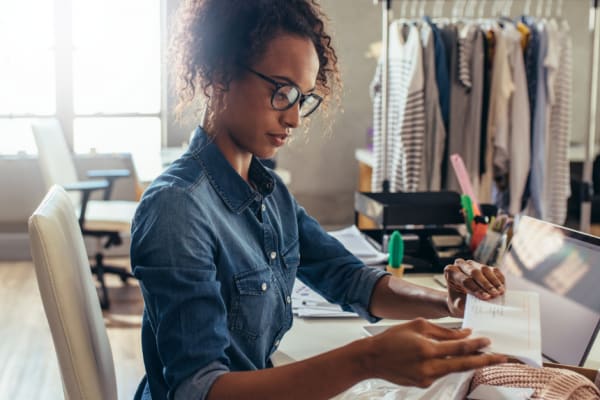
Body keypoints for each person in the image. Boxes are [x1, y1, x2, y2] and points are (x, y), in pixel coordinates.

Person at [130, 1, 507, 399]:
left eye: (303, 98)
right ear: (221, 74)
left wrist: (445, 304)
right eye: (282, 92)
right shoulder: (176, 209)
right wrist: (367, 359)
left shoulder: (268, 194)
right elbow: (199, 390)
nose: (293, 118)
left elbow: (351, 279)